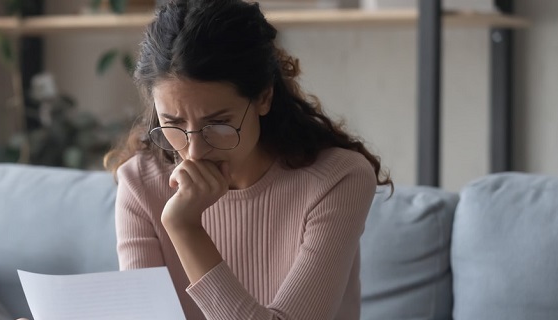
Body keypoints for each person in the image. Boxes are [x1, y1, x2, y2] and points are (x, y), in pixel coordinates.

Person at [103, 1, 393, 319]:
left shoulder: (337, 179)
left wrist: (184, 228)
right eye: (172, 124)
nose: (194, 151)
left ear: (264, 97)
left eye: (218, 124)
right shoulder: (140, 183)